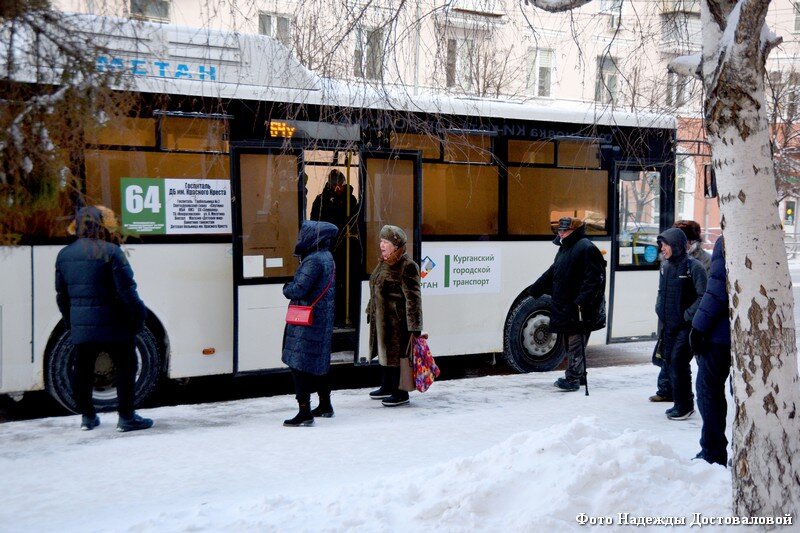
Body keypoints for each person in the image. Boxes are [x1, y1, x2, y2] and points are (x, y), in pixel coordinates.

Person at [55, 206, 152, 432]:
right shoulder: (112, 252)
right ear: (101, 224)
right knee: (127, 366)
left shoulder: (64, 255)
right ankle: (127, 417)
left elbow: (62, 297)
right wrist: (139, 315)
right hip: (115, 325)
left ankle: (88, 418)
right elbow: (127, 291)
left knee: (82, 371)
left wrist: (73, 324)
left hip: (82, 327)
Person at [526, 216, 607, 392]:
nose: (561, 233)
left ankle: (572, 379)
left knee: (575, 344)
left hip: (579, 309)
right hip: (566, 306)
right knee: (569, 344)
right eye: (560, 230)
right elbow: (554, 271)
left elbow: (594, 280)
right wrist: (536, 288)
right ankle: (580, 375)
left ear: (574, 231)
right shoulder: (566, 248)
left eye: (564, 230)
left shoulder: (586, 248)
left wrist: (580, 302)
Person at [282, 220, 339, 427]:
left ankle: (304, 412)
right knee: (319, 362)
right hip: (321, 319)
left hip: (308, 322)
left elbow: (298, 289)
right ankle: (325, 404)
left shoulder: (314, 260)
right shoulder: (327, 257)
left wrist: (286, 287)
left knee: (299, 365)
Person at [366, 225, 422, 407]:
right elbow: (375, 287)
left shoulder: (407, 266)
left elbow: (414, 299)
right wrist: (370, 309)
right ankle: (387, 386)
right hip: (381, 318)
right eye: (381, 241)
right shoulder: (384, 262)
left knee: (397, 356)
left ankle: (400, 392)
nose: (381, 245)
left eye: (386, 242)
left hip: (397, 322)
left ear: (396, 245)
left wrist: (415, 327)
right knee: (384, 353)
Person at [654, 227, 707, 420]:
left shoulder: (694, 267)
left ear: (676, 245)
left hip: (686, 326)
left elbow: (704, 295)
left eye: (665, 244)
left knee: (678, 362)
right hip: (669, 325)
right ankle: (680, 403)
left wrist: (687, 315)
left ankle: (685, 406)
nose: (663, 249)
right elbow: (661, 292)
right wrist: (659, 308)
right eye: (662, 245)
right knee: (670, 363)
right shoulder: (666, 266)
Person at [690, 237, 731, 465]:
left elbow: (717, 288)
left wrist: (698, 326)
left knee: (708, 391)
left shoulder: (727, 239)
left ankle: (712, 452)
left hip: (719, 335)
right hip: (742, 336)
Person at [310, 169, 361, 325]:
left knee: (347, 282)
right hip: (330, 249)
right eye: (336, 185)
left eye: (340, 185)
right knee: (330, 283)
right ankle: (333, 316)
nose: (338, 188)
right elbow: (316, 224)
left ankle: (347, 315)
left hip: (348, 249)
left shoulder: (350, 200)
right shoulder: (321, 201)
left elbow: (354, 222)